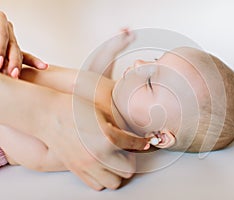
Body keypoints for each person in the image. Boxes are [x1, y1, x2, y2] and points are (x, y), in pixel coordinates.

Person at [0, 11, 150, 191]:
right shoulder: (111, 89)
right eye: (155, 62)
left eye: (152, 82)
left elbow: (38, 158)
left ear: (159, 136)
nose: (141, 64)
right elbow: (91, 76)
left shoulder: (107, 132)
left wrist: (7, 117)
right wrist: (109, 51)